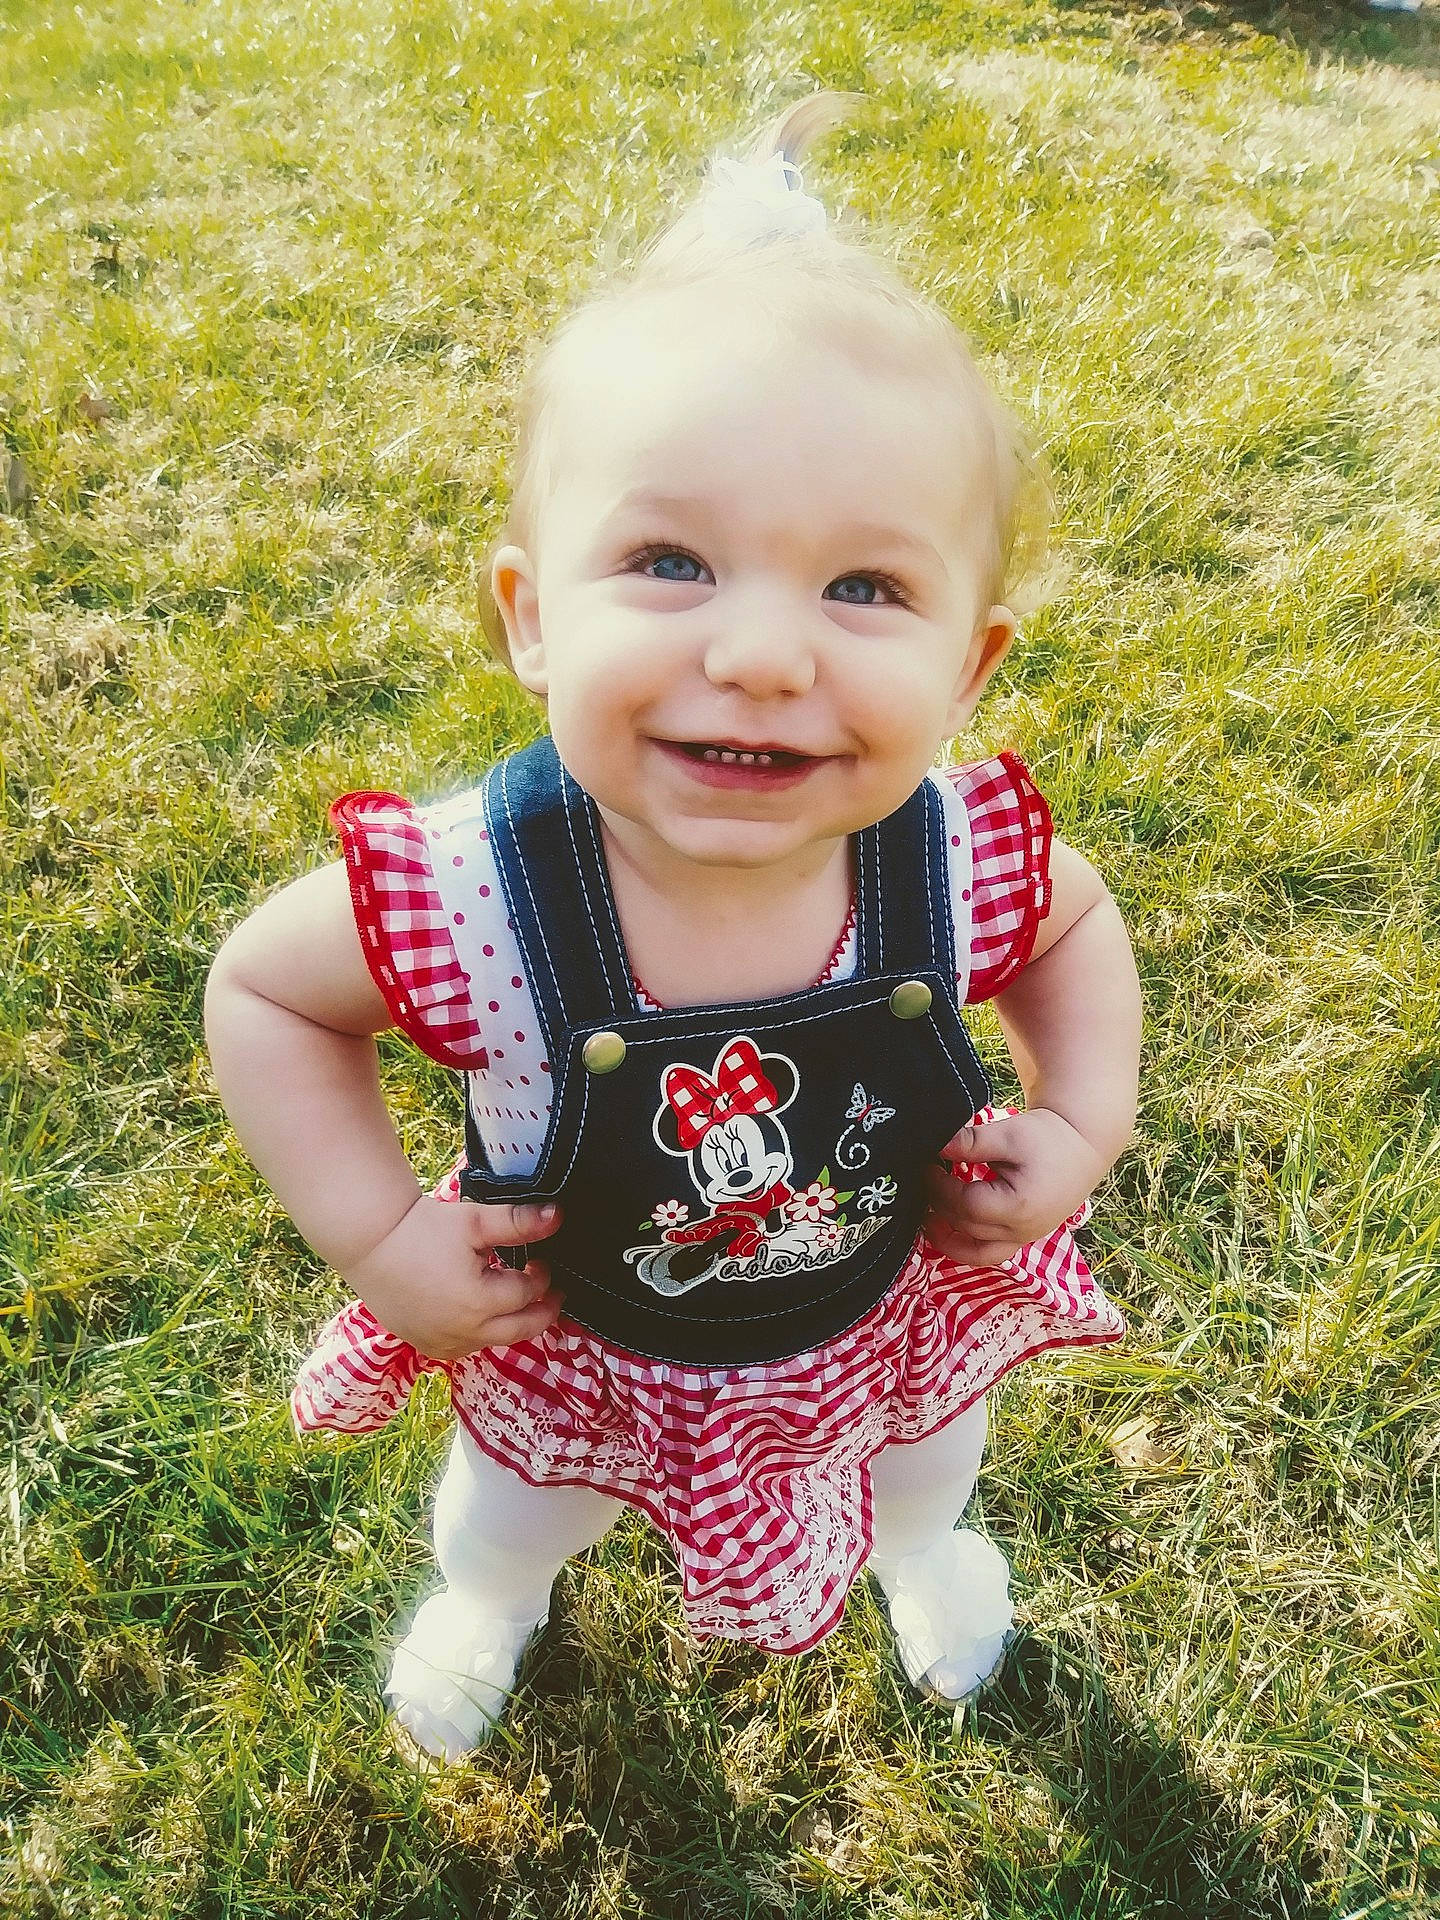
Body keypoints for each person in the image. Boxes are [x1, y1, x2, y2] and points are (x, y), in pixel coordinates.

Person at [205, 95, 1141, 1764]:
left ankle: (928, 1554)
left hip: (872, 1312)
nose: (768, 653)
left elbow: (1075, 928)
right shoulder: (476, 890)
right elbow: (271, 996)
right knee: (510, 1517)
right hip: (581, 1341)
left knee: (931, 1462)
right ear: (532, 618)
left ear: (971, 669)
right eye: (669, 561)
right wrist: (375, 1239)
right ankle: (489, 1603)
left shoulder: (945, 856)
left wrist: (1080, 1115)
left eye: (866, 590)